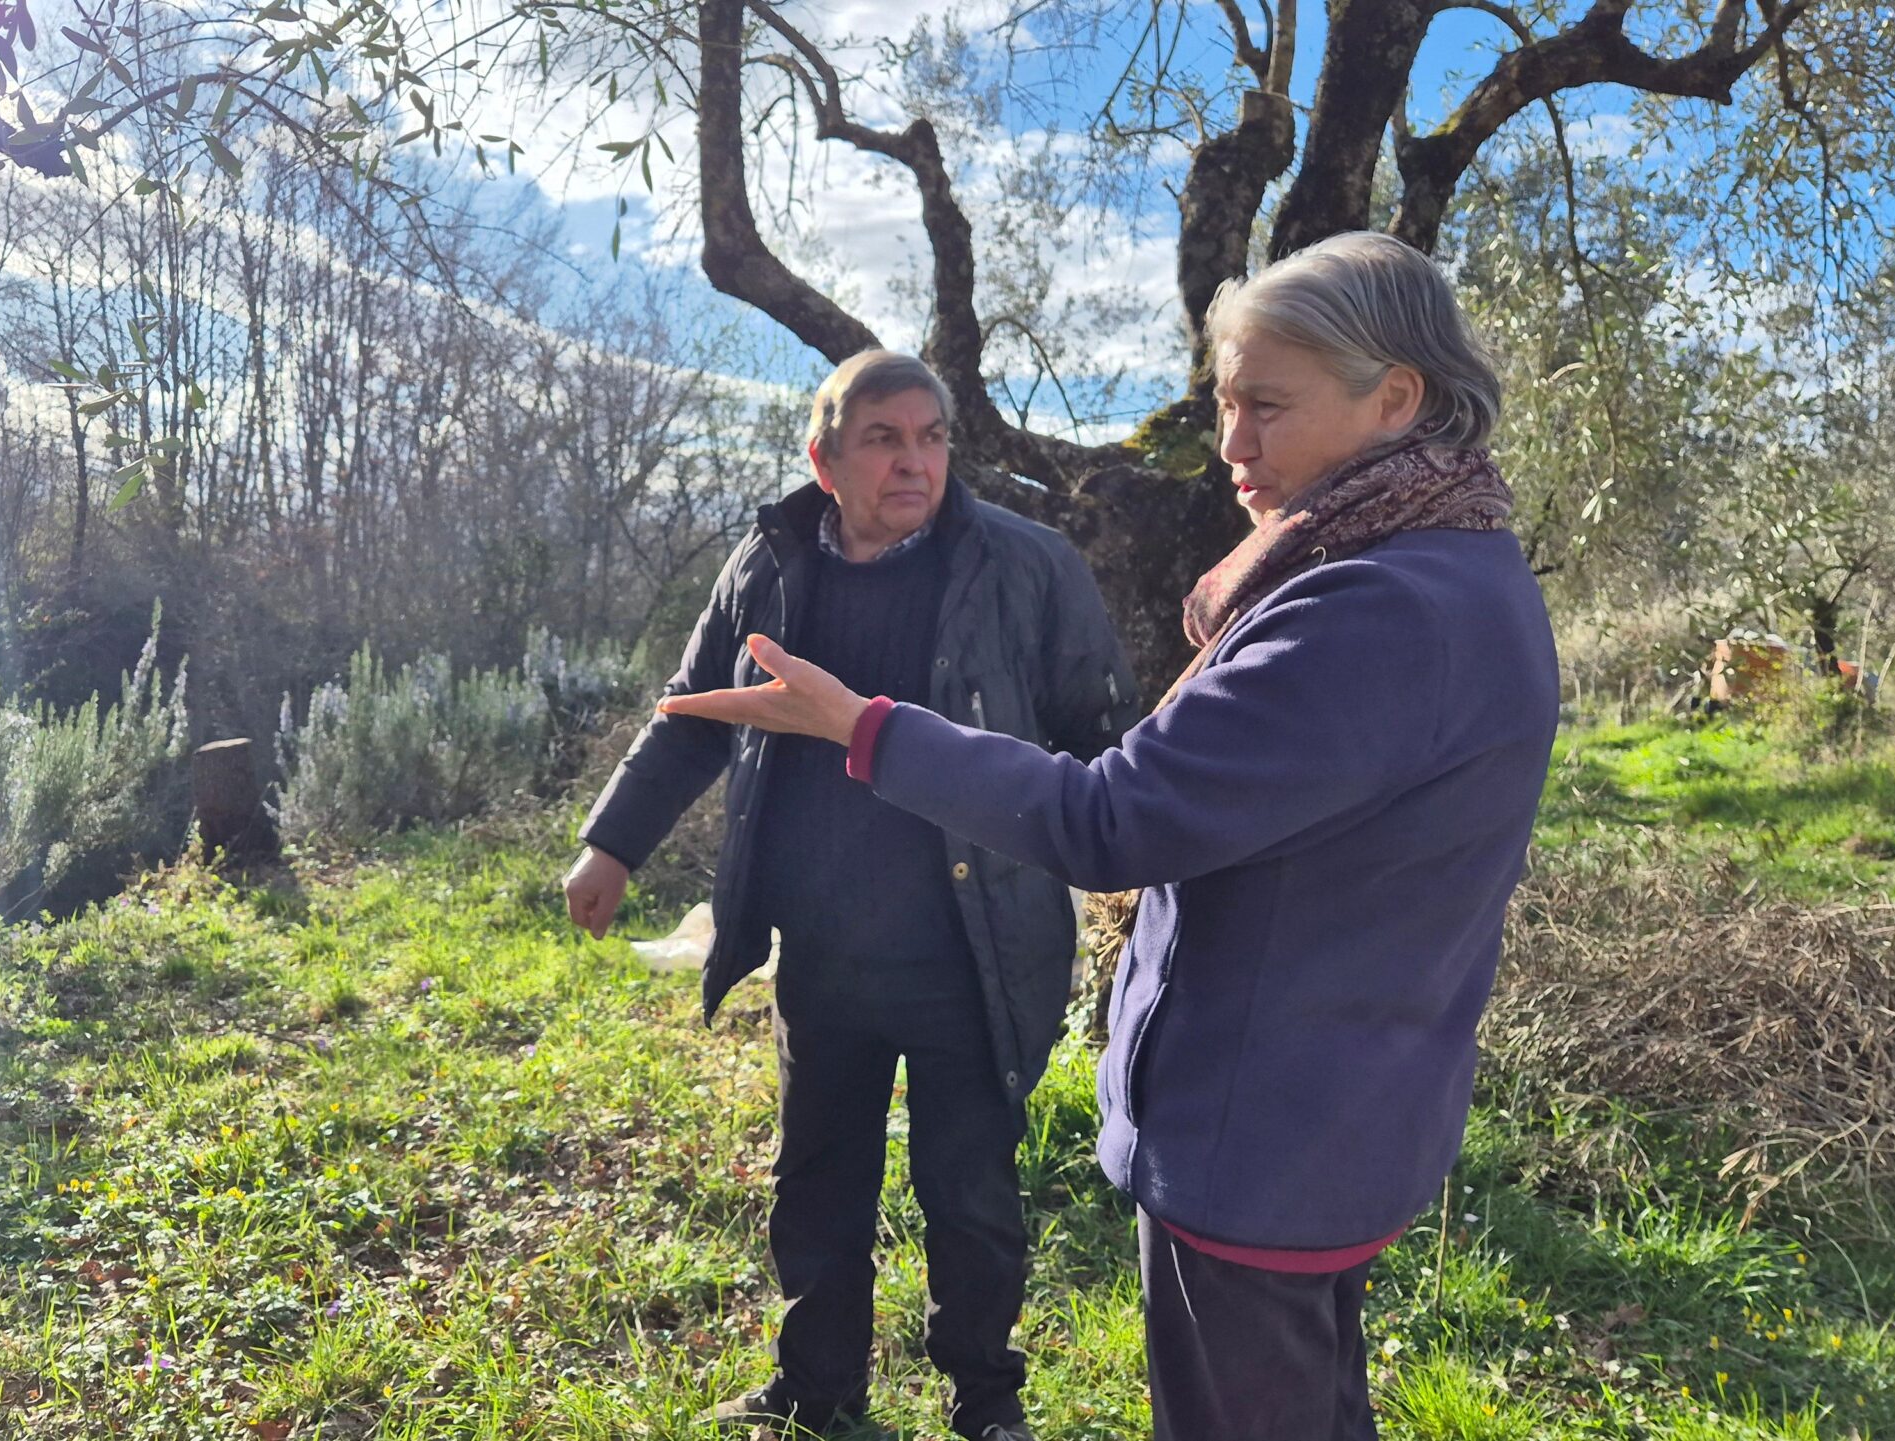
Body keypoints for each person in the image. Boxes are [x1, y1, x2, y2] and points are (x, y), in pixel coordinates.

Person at [658, 232, 1561, 1440]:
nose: (1230, 443)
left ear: (1392, 397)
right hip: (1334, 1102)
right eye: (1226, 402)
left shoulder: (1375, 606)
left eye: (1265, 407)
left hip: (1265, 1129)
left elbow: (1112, 813)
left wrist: (861, 727)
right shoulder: (1442, 566)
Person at [565, 349, 1139, 1440]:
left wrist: (1139, 869)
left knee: (970, 1194)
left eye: (931, 437)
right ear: (823, 458)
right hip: (821, 948)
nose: (914, 462)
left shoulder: (1024, 564)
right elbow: (695, 709)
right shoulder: (772, 563)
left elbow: (1098, 738)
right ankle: (816, 1389)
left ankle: (985, 1399)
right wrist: (612, 843)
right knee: (816, 1182)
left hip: (976, 948)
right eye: (883, 439)